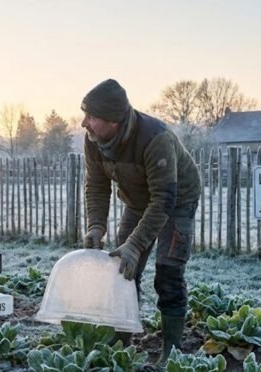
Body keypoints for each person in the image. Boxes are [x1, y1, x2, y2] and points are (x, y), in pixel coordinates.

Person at [80, 79, 201, 367]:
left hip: (176, 200)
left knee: (168, 273)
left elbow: (163, 200)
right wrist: (96, 226)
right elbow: (96, 185)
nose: (84, 123)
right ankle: (121, 340)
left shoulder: (155, 138)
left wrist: (135, 244)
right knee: (122, 269)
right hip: (137, 203)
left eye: (91, 116)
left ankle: (170, 349)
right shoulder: (93, 141)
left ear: (113, 120)